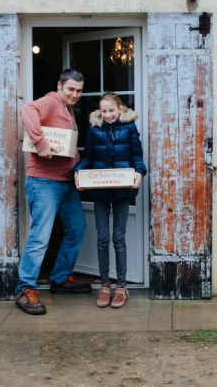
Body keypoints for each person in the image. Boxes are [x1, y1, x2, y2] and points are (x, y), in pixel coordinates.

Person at [15, 69, 92, 316]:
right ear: (60, 86)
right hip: (44, 181)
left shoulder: (69, 110)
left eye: (79, 90)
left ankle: (59, 279)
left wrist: (80, 169)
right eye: (71, 89)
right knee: (40, 237)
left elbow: (66, 145)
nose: (75, 94)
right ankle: (24, 289)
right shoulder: (51, 101)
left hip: (66, 182)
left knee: (77, 229)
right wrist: (39, 142)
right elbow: (27, 110)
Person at [74, 92, 147, 309]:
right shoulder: (94, 130)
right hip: (100, 192)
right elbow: (87, 157)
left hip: (123, 191)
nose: (108, 115)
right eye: (104, 111)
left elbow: (137, 157)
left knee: (119, 237)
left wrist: (139, 173)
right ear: (100, 112)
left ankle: (122, 286)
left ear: (120, 110)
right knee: (103, 238)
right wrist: (78, 173)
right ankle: (105, 284)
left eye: (111, 111)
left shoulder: (130, 128)